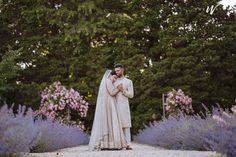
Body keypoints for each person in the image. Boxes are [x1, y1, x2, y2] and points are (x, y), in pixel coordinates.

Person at [89, 70, 127, 150]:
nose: (114, 79)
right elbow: (112, 92)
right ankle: (110, 143)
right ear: (110, 75)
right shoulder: (108, 81)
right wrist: (118, 89)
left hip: (108, 103)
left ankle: (108, 143)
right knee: (110, 121)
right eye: (114, 77)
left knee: (109, 121)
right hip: (109, 104)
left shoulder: (106, 81)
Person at [113, 63, 134, 150]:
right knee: (117, 125)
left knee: (126, 124)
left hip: (124, 105)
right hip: (114, 105)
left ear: (122, 70)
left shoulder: (128, 81)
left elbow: (131, 95)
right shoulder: (113, 81)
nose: (117, 72)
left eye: (118, 70)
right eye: (115, 71)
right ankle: (119, 144)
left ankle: (128, 144)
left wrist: (123, 91)